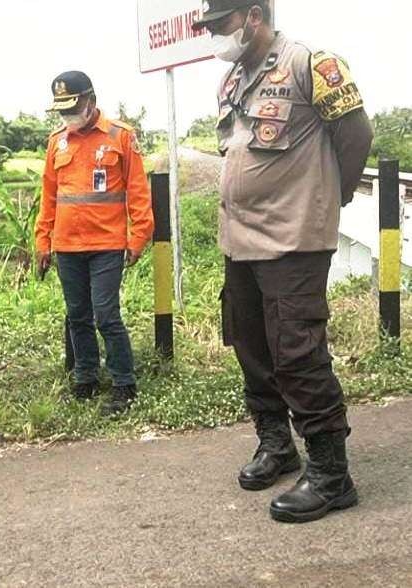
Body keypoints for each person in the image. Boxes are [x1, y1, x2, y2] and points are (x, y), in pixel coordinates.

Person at [192, 0, 373, 523]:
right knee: (252, 346)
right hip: (239, 239)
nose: (216, 36)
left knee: (298, 352)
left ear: (253, 16)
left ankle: (332, 475)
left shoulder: (311, 65)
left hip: (294, 239)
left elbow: (356, 136)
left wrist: (326, 197)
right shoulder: (233, 81)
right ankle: (277, 444)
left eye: (221, 25)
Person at [35, 71, 154, 415]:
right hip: (67, 245)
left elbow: (138, 191)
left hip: (107, 244)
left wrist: (139, 236)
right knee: (77, 315)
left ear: (90, 100)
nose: (67, 116)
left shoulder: (120, 136)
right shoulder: (57, 141)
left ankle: (123, 382)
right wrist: (43, 242)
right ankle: (85, 376)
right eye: (61, 110)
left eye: (72, 107)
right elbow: (49, 196)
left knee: (105, 314)